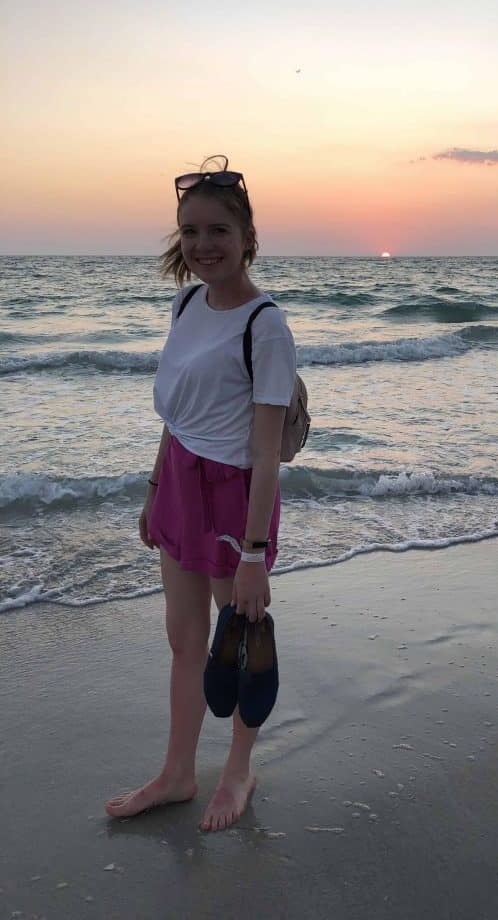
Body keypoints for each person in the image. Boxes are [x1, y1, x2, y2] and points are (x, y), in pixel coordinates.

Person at [105, 156, 296, 832]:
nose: (203, 245)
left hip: (235, 497)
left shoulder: (264, 325)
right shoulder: (186, 302)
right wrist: (156, 487)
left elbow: (267, 451)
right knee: (185, 640)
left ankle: (239, 768)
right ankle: (179, 773)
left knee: (239, 640)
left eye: (219, 230)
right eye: (191, 232)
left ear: (247, 237)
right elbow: (177, 413)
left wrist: (253, 553)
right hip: (182, 480)